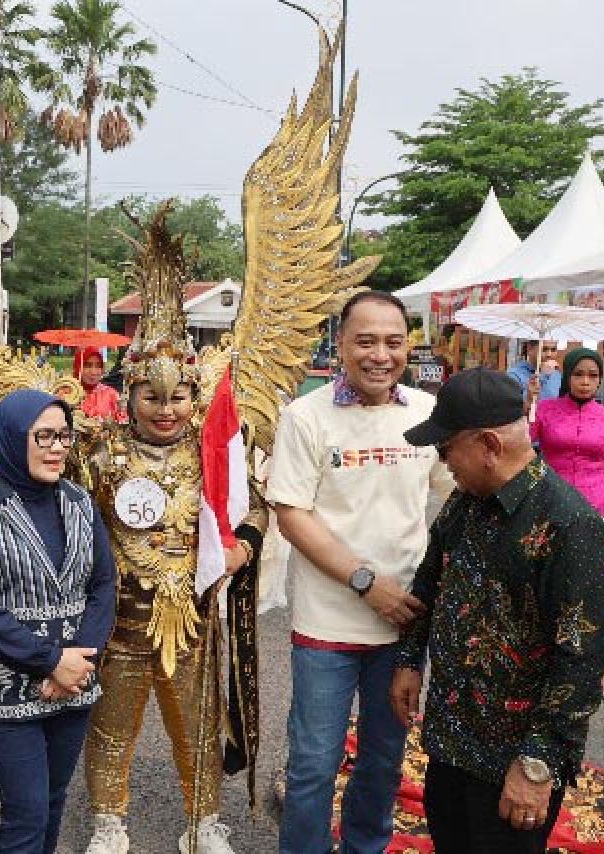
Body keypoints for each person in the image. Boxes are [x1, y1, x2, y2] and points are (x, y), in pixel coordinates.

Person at [78, 215, 266, 854]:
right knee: (111, 726)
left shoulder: (214, 450)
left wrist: (239, 548)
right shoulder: (99, 450)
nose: (166, 409)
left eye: (179, 396)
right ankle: (108, 821)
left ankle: (202, 821)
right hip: (120, 621)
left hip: (195, 613)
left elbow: (255, 510)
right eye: (151, 398)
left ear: (195, 395)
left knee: (198, 725)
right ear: (127, 397)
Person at [393, 366, 604, 854]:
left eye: (446, 447)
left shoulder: (574, 528)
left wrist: (537, 766)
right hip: (451, 741)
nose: (443, 460)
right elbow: (429, 580)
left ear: (489, 445)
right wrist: (410, 659)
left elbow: (580, 666)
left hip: (513, 763)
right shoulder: (466, 501)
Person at [265, 290, 454, 854]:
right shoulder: (306, 416)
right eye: (365, 341)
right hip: (328, 626)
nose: (380, 355)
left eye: (393, 342)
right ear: (340, 344)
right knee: (313, 766)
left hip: (403, 625)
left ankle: (364, 848)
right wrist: (366, 583)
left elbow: (458, 491)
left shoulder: (426, 414)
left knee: (382, 762)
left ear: (407, 347)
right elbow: (292, 513)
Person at [0, 389, 116, 854]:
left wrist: (78, 661)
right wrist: (49, 661)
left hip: (76, 680)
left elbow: (102, 586)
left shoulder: (81, 502)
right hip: (6, 683)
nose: (58, 447)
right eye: (43, 436)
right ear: (11, 438)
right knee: (27, 812)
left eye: (64, 435)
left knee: (54, 801)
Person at [531, 347, 604, 701]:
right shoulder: (544, 410)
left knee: (599, 586)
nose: (586, 382)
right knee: (548, 581)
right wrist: (525, 407)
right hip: (551, 507)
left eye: (593, 375)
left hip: (597, 510)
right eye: (579, 374)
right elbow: (523, 447)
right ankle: (546, 657)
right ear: (567, 376)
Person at [73, 347, 123, 421]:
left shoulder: (111, 394)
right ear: (78, 367)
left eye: (98, 366)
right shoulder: (68, 392)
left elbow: (122, 421)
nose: (93, 372)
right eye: (87, 365)